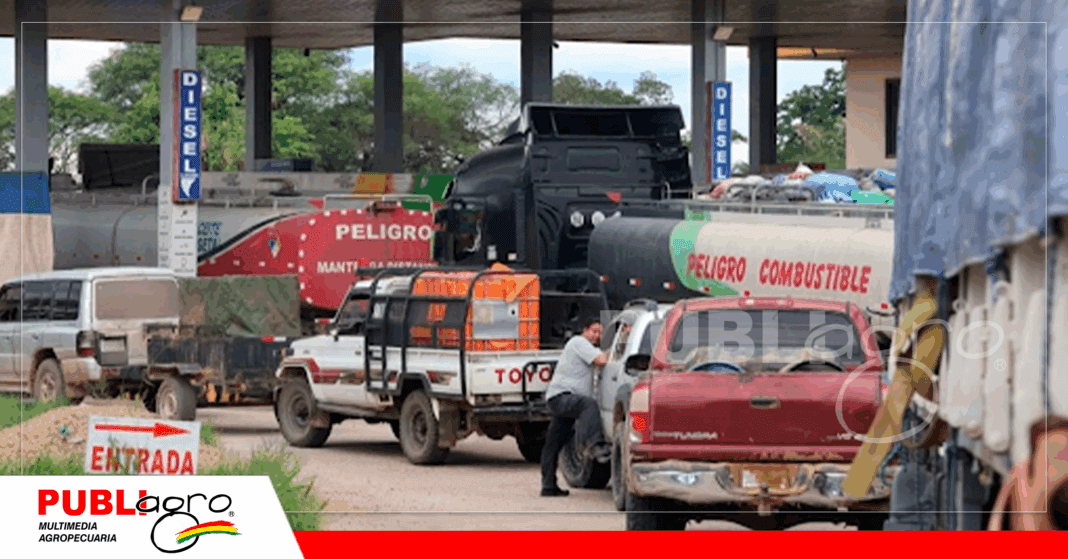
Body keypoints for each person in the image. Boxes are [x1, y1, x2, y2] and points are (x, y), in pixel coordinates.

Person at [540, 319, 613, 497]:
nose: (597, 336)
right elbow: (601, 360)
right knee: (588, 404)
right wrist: (617, 348)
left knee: (553, 445)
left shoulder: (582, 346)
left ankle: (548, 486)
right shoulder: (579, 342)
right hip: (563, 397)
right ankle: (595, 445)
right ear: (585, 330)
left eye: (600, 333)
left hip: (559, 398)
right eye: (594, 331)